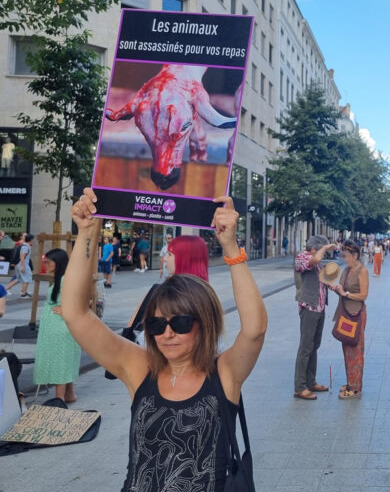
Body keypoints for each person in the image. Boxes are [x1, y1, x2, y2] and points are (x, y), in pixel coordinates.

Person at [63, 188, 268, 490]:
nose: (167, 333)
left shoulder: (223, 374)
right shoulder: (140, 368)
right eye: (157, 324)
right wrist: (87, 233)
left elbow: (255, 329)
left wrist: (230, 246)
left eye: (181, 323)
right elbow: (75, 314)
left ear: (205, 324)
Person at [293, 235, 337, 400]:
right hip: (309, 307)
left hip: (319, 308)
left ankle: (311, 381)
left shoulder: (317, 262)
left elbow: (322, 280)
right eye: (321, 251)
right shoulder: (301, 258)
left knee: (314, 346)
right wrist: (325, 248)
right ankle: (300, 386)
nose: (323, 255)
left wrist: (331, 285)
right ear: (313, 249)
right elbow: (314, 261)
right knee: (305, 348)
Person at [33, 249, 80, 402]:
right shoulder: (62, 278)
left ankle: (59, 398)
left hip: (60, 327)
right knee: (63, 360)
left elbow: (78, 300)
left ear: (58, 263)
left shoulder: (67, 280)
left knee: (60, 361)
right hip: (55, 326)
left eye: (48, 262)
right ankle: (69, 393)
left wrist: (66, 310)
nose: (45, 265)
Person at [330, 239, 369, 399]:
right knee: (347, 347)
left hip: (357, 314)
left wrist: (346, 294)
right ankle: (350, 382)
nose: (344, 259)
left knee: (356, 350)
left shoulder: (362, 271)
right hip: (345, 312)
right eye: (343, 256)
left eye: (347, 256)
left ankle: (355, 388)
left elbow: (363, 295)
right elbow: (342, 290)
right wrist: (336, 289)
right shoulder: (346, 270)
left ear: (355, 255)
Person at [7, 234, 34, 298]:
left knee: (18, 278)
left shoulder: (23, 245)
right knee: (27, 278)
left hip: (18, 264)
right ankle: (23, 294)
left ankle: (5, 289)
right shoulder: (25, 247)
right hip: (22, 264)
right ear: (30, 240)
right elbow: (22, 257)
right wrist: (23, 266)